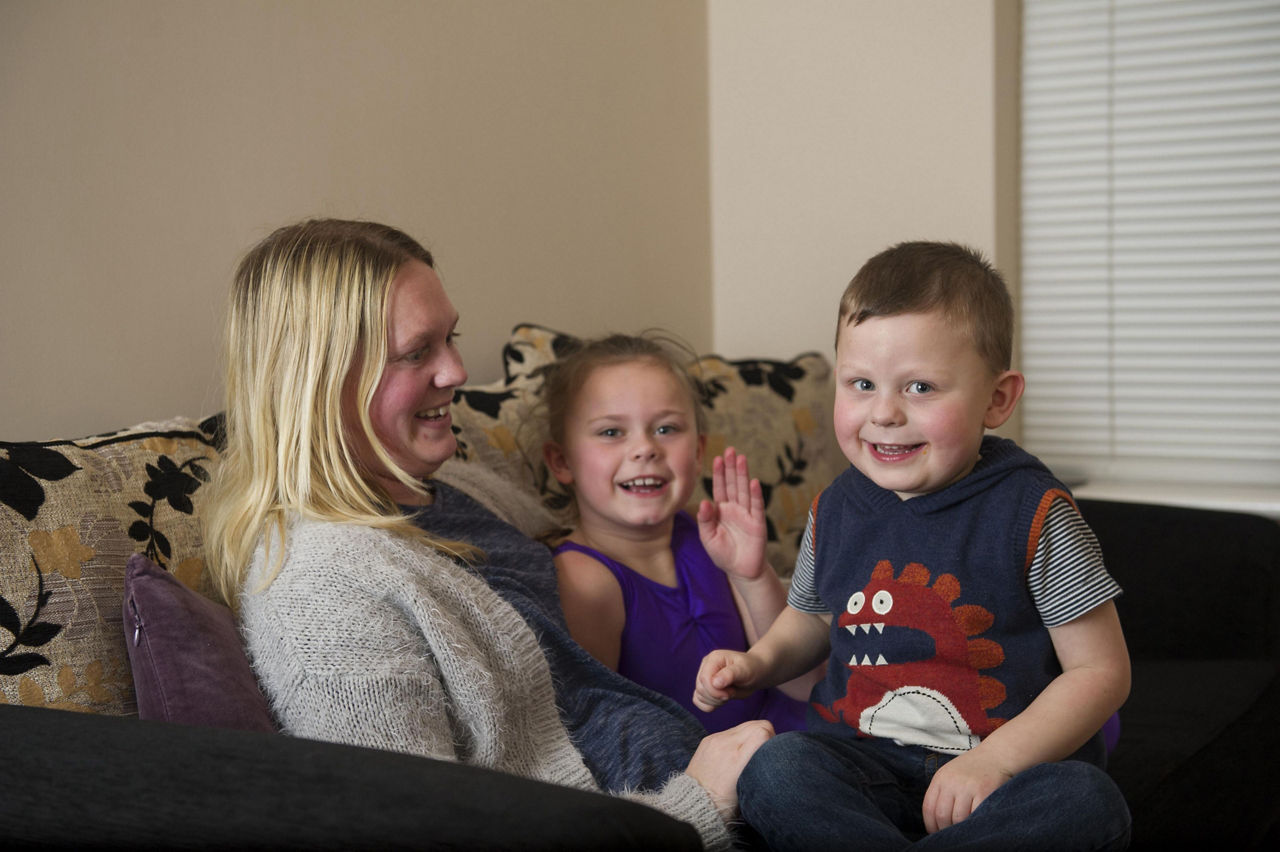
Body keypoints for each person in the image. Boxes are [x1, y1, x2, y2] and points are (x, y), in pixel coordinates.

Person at [203, 218, 772, 851]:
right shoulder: (321, 595)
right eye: (418, 352)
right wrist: (697, 807)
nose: (457, 370)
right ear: (320, 379)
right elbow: (417, 835)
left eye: (451, 339)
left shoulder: (460, 484)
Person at [693, 242, 1132, 850]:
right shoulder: (837, 507)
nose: (885, 413)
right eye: (862, 384)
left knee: (1090, 804)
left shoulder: (1034, 513)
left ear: (997, 400)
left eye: (921, 387)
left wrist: (995, 762)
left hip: (1001, 777)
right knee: (775, 767)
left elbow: (1101, 671)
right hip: (861, 767)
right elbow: (812, 620)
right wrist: (757, 664)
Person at [539, 334, 809, 734]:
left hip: (797, 734)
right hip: (715, 773)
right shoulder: (586, 580)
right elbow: (603, 734)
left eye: (666, 428)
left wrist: (750, 575)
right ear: (562, 461)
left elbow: (805, 683)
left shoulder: (710, 536)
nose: (645, 448)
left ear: (699, 451)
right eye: (612, 432)